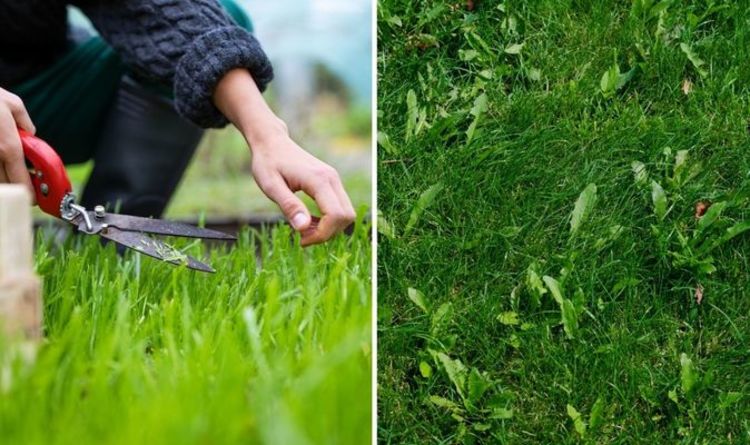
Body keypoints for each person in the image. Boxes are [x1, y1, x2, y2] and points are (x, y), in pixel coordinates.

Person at [0, 0, 355, 246]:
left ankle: (104, 247)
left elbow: (160, 12)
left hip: (39, 107)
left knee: (220, 19)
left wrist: (267, 133)